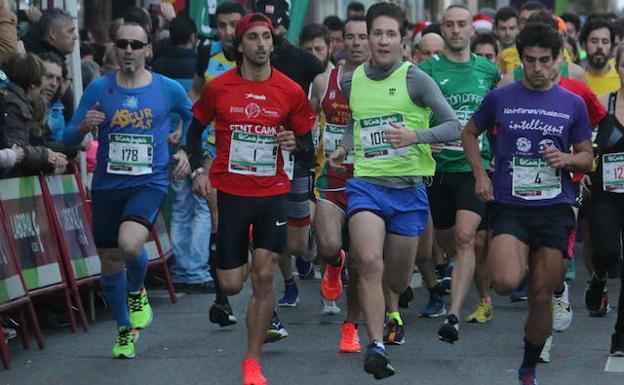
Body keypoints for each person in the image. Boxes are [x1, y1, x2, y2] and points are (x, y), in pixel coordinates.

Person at [329, 3, 460, 378]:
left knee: (398, 280)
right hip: (366, 186)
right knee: (367, 261)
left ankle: (393, 306)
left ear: (402, 41)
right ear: (367, 38)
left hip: (408, 191)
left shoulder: (415, 79)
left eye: (391, 35)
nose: (383, 41)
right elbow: (354, 123)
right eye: (377, 34)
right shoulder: (352, 81)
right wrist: (342, 148)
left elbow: (453, 125)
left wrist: (415, 136)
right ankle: (375, 344)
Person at [185, 13, 315, 385]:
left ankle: (252, 362)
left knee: (263, 274)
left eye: (266, 38)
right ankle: (234, 256)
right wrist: (198, 171)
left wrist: (296, 144)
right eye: (253, 38)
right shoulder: (219, 88)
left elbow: (309, 146)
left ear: (273, 44)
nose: (261, 44)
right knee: (230, 284)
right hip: (232, 195)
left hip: (273, 192)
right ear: (239, 46)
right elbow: (193, 135)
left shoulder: (290, 90)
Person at [462, 23, 593, 385]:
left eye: (544, 61)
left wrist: (567, 159)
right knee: (504, 281)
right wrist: (480, 175)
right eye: (530, 61)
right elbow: (469, 132)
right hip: (512, 206)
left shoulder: (573, 103)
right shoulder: (501, 97)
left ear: (557, 60)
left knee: (539, 293)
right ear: (521, 59)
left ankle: (529, 366)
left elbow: (588, 158)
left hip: (555, 209)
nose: (537, 68)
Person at [64, 22, 192, 359]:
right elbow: (66, 139)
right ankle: (124, 330)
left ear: (148, 49)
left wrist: (184, 149)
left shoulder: (167, 89)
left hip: (149, 183)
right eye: (123, 44)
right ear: (115, 50)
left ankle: (137, 290)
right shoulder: (99, 89)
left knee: (129, 244)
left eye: (137, 44)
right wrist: (82, 127)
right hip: (107, 185)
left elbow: (194, 118)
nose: (130, 50)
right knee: (109, 261)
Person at [419, 4, 500, 344]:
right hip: (438, 171)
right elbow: (413, 114)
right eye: (448, 25)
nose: (455, 30)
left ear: (471, 30)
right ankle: (463, 278)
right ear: (443, 28)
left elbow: (499, 118)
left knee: (470, 237)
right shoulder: (425, 70)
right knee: (448, 241)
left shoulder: (488, 72)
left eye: (461, 25)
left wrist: (496, 162)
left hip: (472, 168)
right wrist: (425, 141)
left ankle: (453, 315)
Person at [257, 0, 325, 339]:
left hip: (295, 158)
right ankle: (278, 298)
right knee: (271, 239)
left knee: (297, 244)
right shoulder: (245, 61)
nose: (270, 37)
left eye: (276, 29)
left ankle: (315, 251)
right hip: (256, 164)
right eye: (264, 31)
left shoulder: (302, 60)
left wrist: (319, 110)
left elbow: (326, 88)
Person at [309, 14, 370, 351]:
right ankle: (334, 264)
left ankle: (351, 326)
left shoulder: (382, 80)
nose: (358, 43)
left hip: (368, 179)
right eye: (351, 37)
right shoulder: (324, 80)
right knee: (330, 246)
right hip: (331, 176)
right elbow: (307, 116)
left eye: (364, 37)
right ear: (340, 42)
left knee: (363, 259)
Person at [188, 1, 246, 327]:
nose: (227, 32)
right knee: (217, 218)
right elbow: (196, 93)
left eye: (232, 25)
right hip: (215, 151)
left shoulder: (257, 55)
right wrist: (189, 138)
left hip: (255, 156)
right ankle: (221, 300)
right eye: (222, 25)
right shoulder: (206, 55)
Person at [585, 42, 624, 357]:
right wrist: (580, 170)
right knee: (608, 252)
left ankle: (620, 339)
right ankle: (598, 279)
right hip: (604, 195)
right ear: (618, 67)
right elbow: (580, 142)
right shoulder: (602, 105)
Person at [2, 53, 67, 176]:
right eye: (46, 77)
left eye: (58, 79)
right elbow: (17, 150)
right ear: (33, 84)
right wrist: (46, 155)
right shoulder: (14, 106)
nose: (52, 84)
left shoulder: (19, 103)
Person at [580, 17, 620, 97]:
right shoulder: (575, 79)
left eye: (605, 42)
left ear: (612, 48)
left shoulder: (620, 81)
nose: (599, 46)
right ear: (584, 45)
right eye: (594, 41)